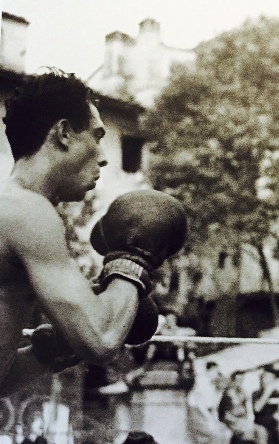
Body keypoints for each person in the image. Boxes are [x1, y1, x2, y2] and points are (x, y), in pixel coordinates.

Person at [0, 69, 187, 396]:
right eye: (98, 137)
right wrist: (133, 262)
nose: (103, 159)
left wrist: (52, 350)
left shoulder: (12, 207)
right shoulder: (28, 211)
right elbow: (102, 341)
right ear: (64, 133)